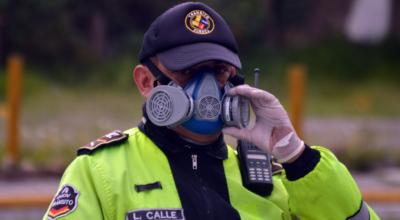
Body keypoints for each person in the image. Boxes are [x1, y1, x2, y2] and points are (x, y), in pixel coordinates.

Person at [43, 2, 379, 220]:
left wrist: (296, 154)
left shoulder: (278, 180)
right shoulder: (99, 172)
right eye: (187, 72)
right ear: (146, 81)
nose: (207, 89)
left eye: (217, 71)